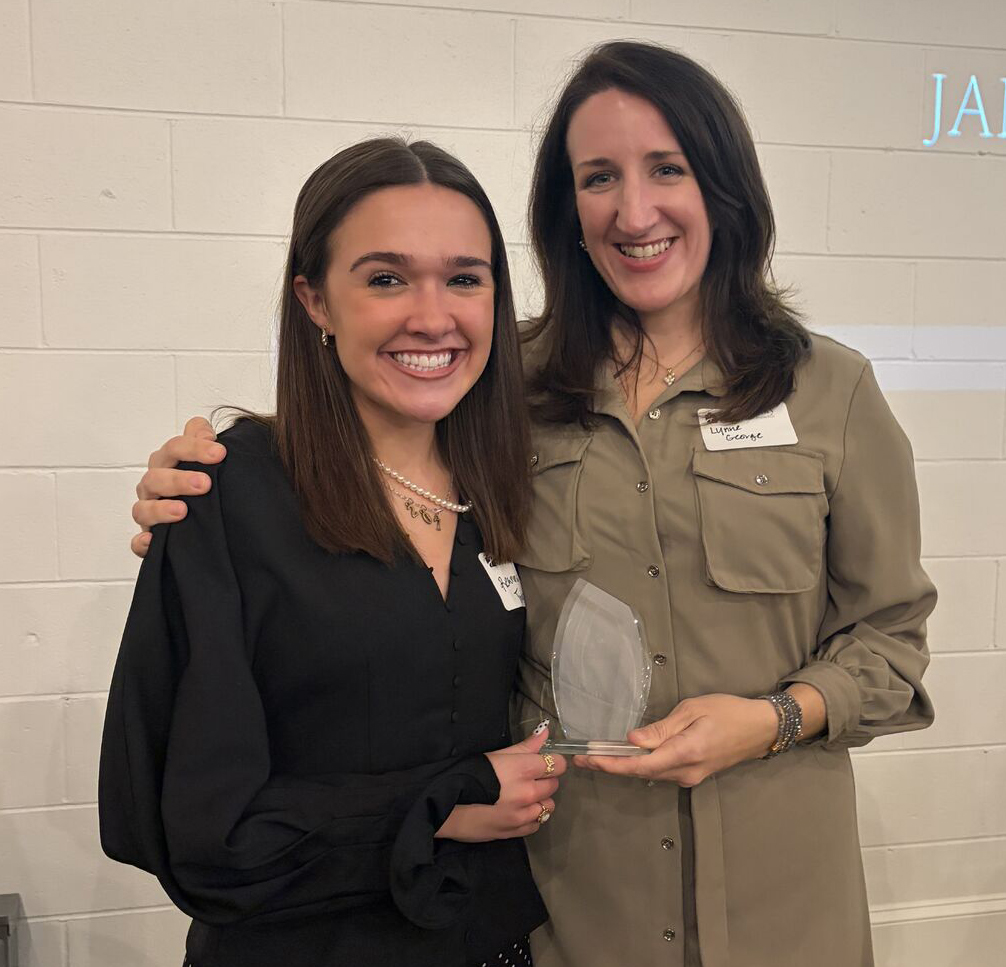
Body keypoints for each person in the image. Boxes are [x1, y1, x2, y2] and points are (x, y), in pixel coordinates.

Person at [126, 42, 935, 967]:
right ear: (567, 210)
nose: (635, 211)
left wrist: (776, 717)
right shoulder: (499, 387)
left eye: (667, 168)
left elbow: (891, 640)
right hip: (570, 903)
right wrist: (207, 488)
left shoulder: (831, 390)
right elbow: (367, 430)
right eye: (599, 178)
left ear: (725, 187)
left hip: (782, 896)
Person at [100, 137, 570, 967]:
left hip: (485, 940)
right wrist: (436, 809)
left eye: (465, 278)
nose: (433, 316)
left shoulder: (505, 484)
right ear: (315, 300)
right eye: (386, 278)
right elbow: (199, 832)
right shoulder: (229, 496)